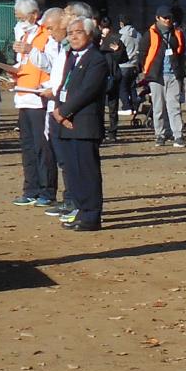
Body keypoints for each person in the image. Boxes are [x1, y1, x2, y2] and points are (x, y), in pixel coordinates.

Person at [51, 14, 109, 230]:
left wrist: (64, 112)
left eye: (78, 32)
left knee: (87, 172)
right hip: (65, 123)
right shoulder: (71, 58)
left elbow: (88, 91)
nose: (73, 37)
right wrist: (59, 111)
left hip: (84, 124)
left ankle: (92, 215)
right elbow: (63, 87)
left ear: (89, 34)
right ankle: (80, 210)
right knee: (73, 172)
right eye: (70, 33)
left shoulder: (97, 59)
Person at [12, 7, 62, 206]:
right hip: (23, 96)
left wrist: (30, 50)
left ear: (34, 15)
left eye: (22, 17)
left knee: (43, 148)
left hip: (39, 98)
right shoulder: (25, 35)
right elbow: (23, 64)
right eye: (17, 18)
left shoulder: (46, 36)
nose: (20, 21)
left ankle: (47, 191)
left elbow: (50, 64)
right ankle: (30, 189)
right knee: (28, 147)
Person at [140, 6, 186, 147]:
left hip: (173, 75)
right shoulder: (149, 34)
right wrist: (145, 70)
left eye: (169, 17)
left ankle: (178, 135)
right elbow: (143, 52)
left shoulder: (177, 33)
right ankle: (159, 135)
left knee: (174, 107)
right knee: (158, 107)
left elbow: (181, 51)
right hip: (156, 76)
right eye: (164, 17)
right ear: (157, 18)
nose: (167, 20)